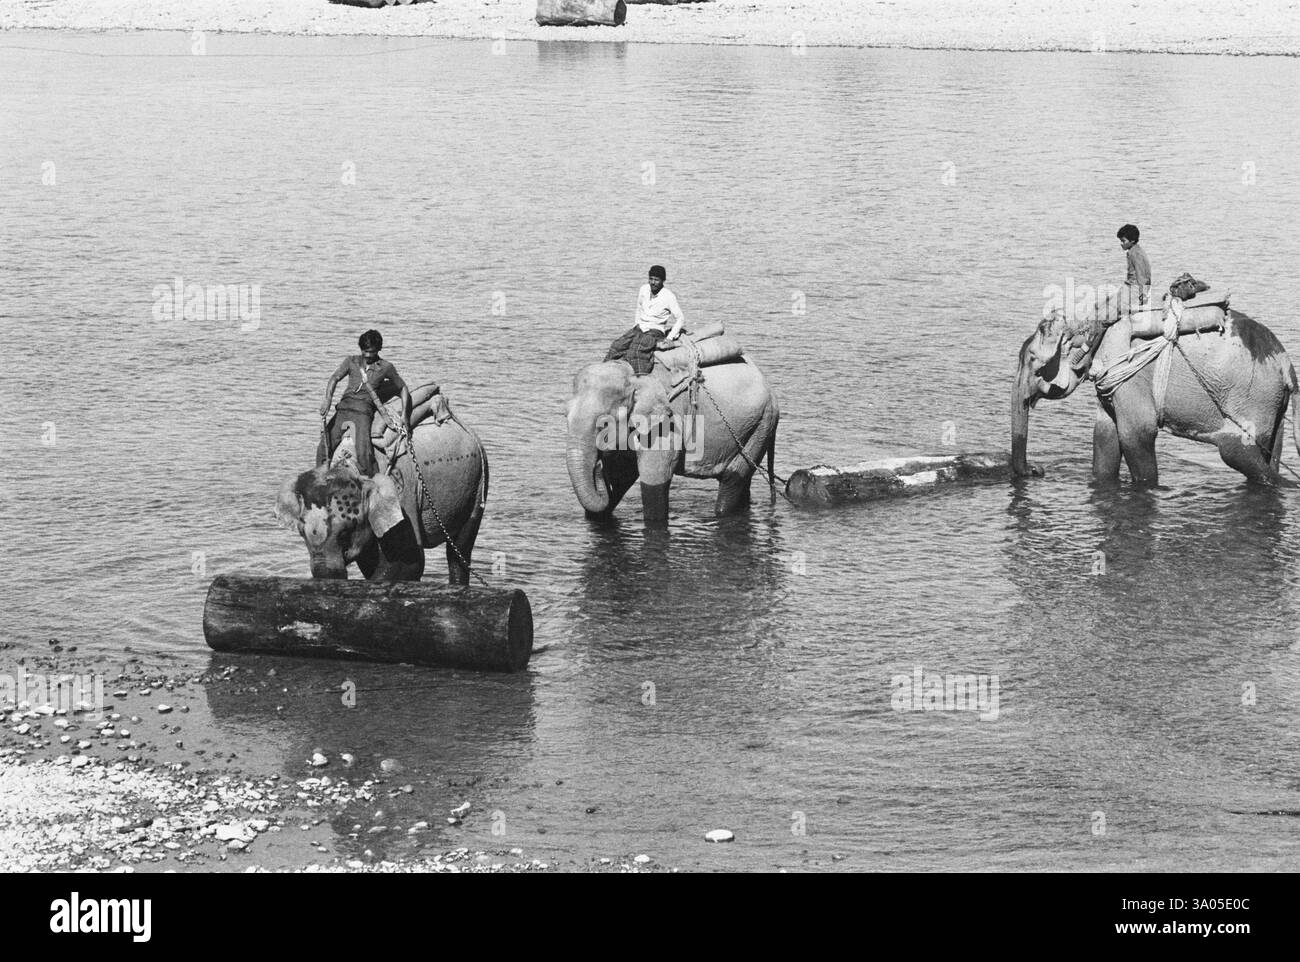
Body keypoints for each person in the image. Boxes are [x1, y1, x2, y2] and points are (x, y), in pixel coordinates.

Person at [317, 329, 411, 477]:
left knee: (364, 454)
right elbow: (334, 378)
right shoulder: (351, 361)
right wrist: (328, 399)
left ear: (379, 349)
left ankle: (372, 484)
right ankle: (320, 480)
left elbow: (403, 388)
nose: (367, 355)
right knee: (324, 446)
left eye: (371, 352)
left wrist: (405, 415)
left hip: (363, 412)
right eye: (364, 351)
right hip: (344, 408)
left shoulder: (386, 367)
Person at [605, 265, 686, 375]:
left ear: (663, 281)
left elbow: (680, 318)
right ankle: (608, 374)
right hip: (640, 328)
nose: (653, 282)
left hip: (655, 331)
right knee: (617, 346)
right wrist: (636, 325)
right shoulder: (643, 289)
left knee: (636, 350)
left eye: (656, 280)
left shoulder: (669, 296)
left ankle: (640, 379)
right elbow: (639, 308)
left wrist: (669, 338)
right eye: (651, 279)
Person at [1116, 223, 1151, 315]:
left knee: (1116, 309)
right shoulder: (1133, 251)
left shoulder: (1136, 254)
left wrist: (1142, 295)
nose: (1121, 244)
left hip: (1135, 288)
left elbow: (1142, 276)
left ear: (1132, 241)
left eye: (1123, 241)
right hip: (1131, 286)